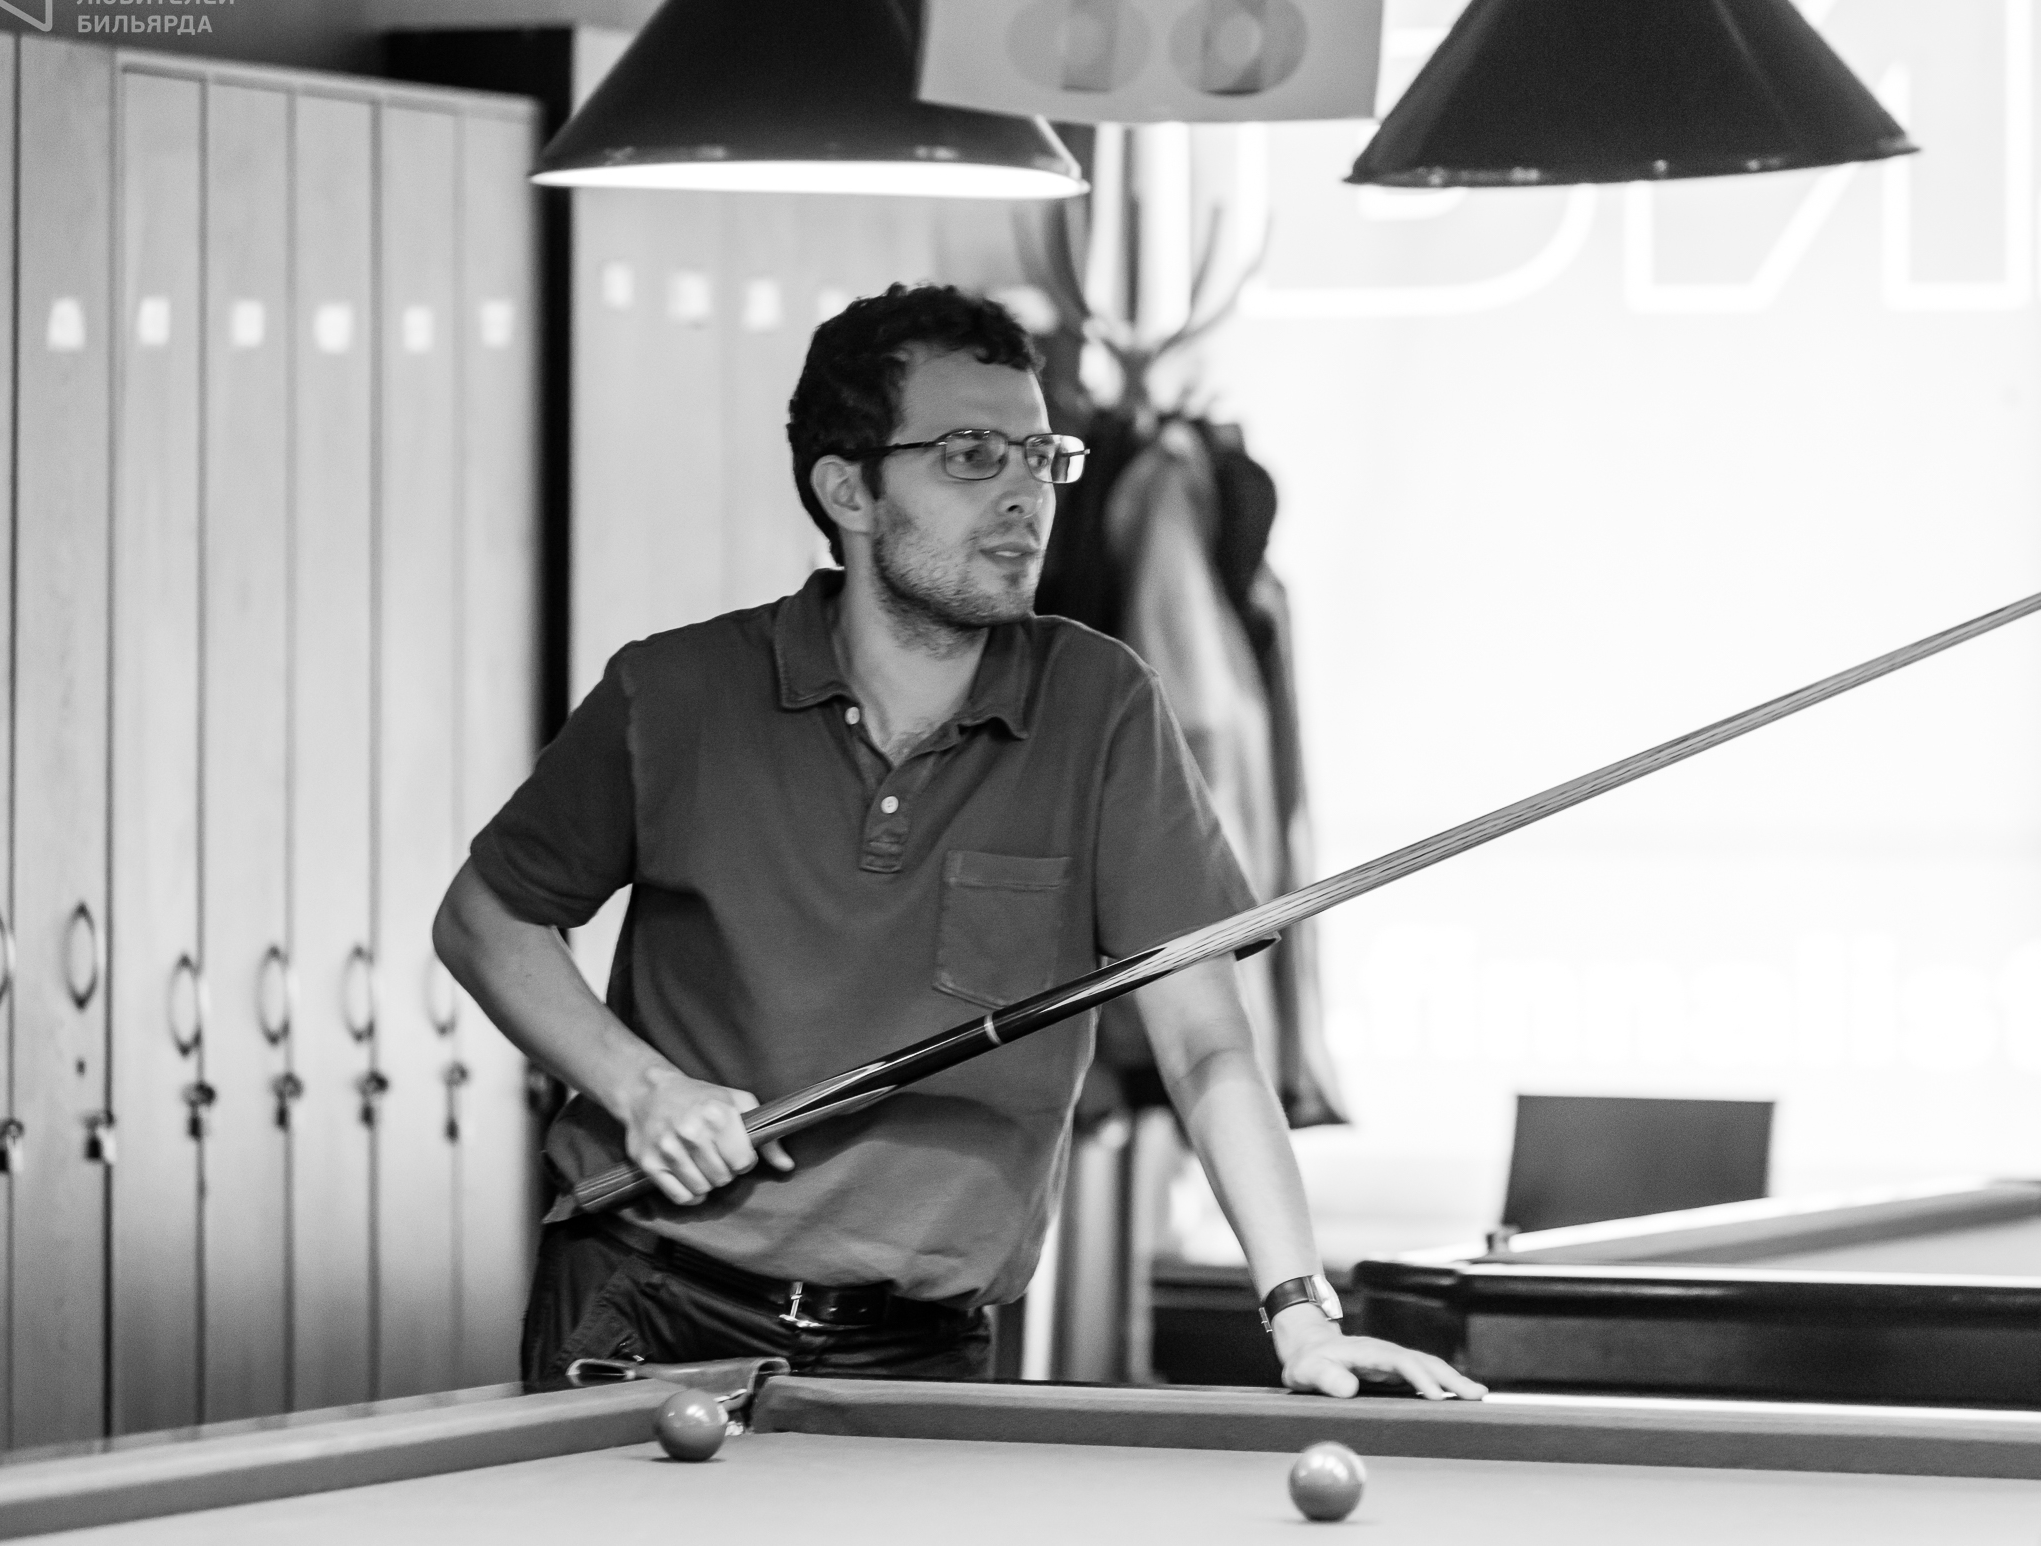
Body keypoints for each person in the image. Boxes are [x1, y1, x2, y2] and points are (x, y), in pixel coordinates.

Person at [434, 283, 1481, 1400]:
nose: (1025, 494)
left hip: (923, 1347)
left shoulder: (1101, 706)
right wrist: (641, 1089)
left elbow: (1206, 1048)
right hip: (648, 1303)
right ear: (849, 489)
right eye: (972, 456)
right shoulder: (676, 694)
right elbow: (487, 917)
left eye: (1040, 456)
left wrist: (1300, 1313)